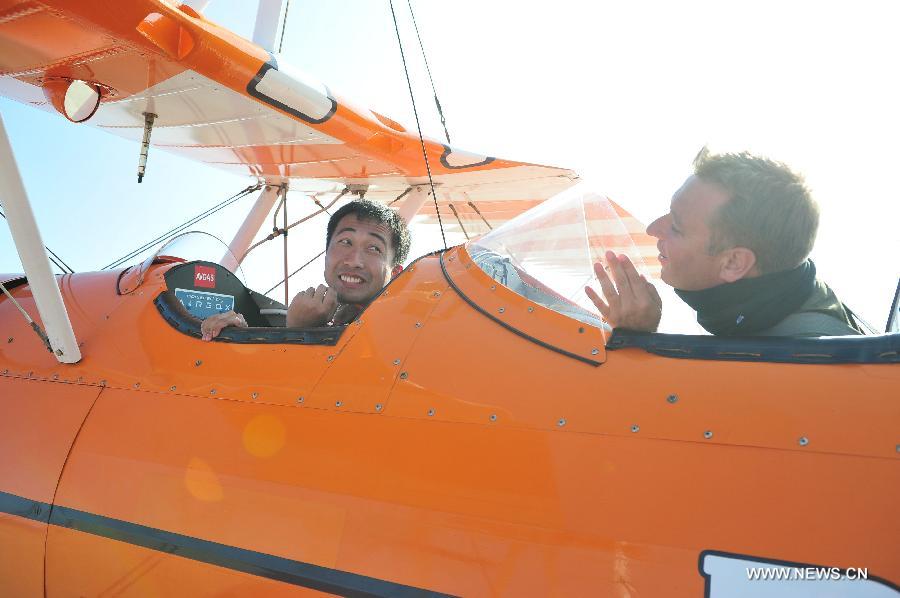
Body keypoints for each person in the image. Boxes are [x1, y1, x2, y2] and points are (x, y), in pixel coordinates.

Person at [585, 150, 861, 337]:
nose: (653, 228)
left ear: (733, 263)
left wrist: (636, 342)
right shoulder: (785, 297)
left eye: (677, 227)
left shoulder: (803, 359)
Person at [201, 199, 411, 340]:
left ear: (396, 272)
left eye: (374, 249)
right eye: (345, 242)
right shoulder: (338, 320)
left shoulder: (400, 333)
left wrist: (298, 331)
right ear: (326, 254)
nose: (354, 260)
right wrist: (240, 339)